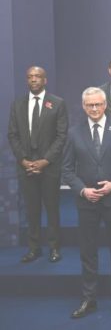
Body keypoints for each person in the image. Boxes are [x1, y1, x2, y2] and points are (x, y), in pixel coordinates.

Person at [62, 87, 111, 319]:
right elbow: (66, 168)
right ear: (84, 107)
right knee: (88, 252)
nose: (94, 109)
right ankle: (89, 298)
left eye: (98, 104)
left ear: (105, 105)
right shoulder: (74, 133)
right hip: (87, 202)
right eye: (89, 105)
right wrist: (82, 190)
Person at [7, 66, 68, 263]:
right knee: (32, 210)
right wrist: (23, 160)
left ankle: (54, 248)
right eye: (30, 77)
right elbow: (12, 135)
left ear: (45, 80)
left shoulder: (57, 104)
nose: (33, 79)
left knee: (51, 209)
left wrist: (45, 160)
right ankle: (34, 249)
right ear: (27, 80)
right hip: (26, 167)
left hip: (49, 166)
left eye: (37, 76)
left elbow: (61, 136)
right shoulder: (17, 104)